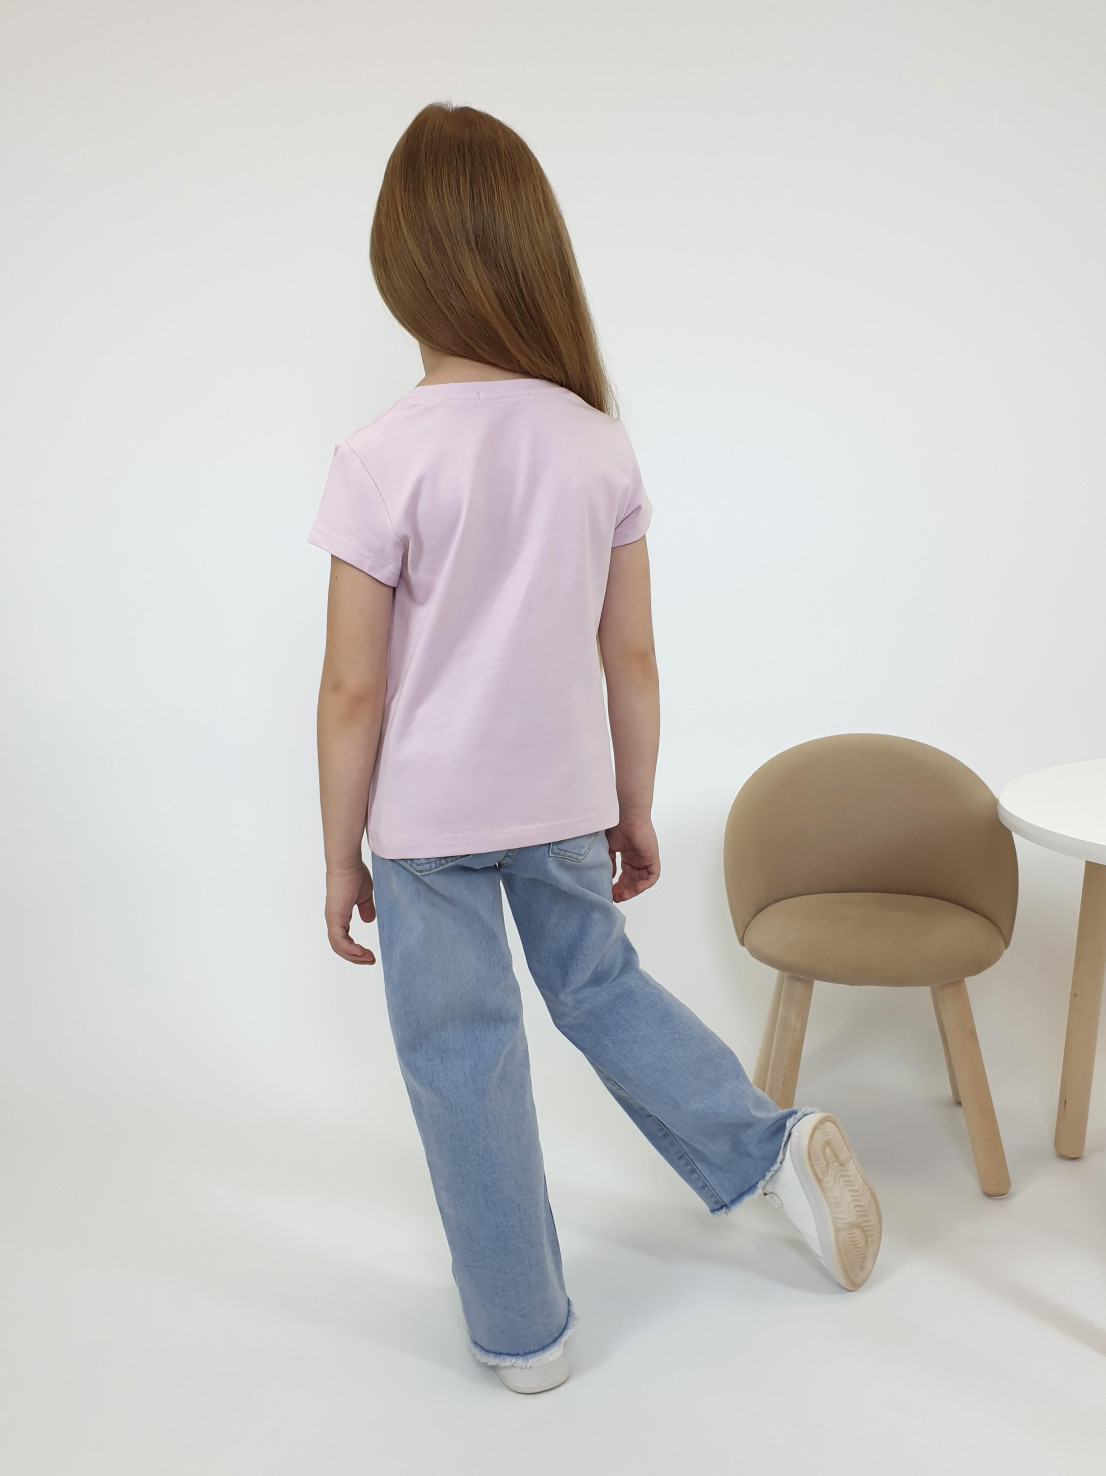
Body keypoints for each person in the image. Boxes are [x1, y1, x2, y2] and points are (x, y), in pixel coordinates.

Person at [308, 101, 882, 1396]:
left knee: (463, 1056)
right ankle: (767, 1143)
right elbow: (631, 655)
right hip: (563, 800)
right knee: (602, 990)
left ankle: (525, 1335)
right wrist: (631, 802)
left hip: (427, 826)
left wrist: (339, 853)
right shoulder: (593, 441)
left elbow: (352, 688)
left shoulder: (377, 458)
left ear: (401, 264)